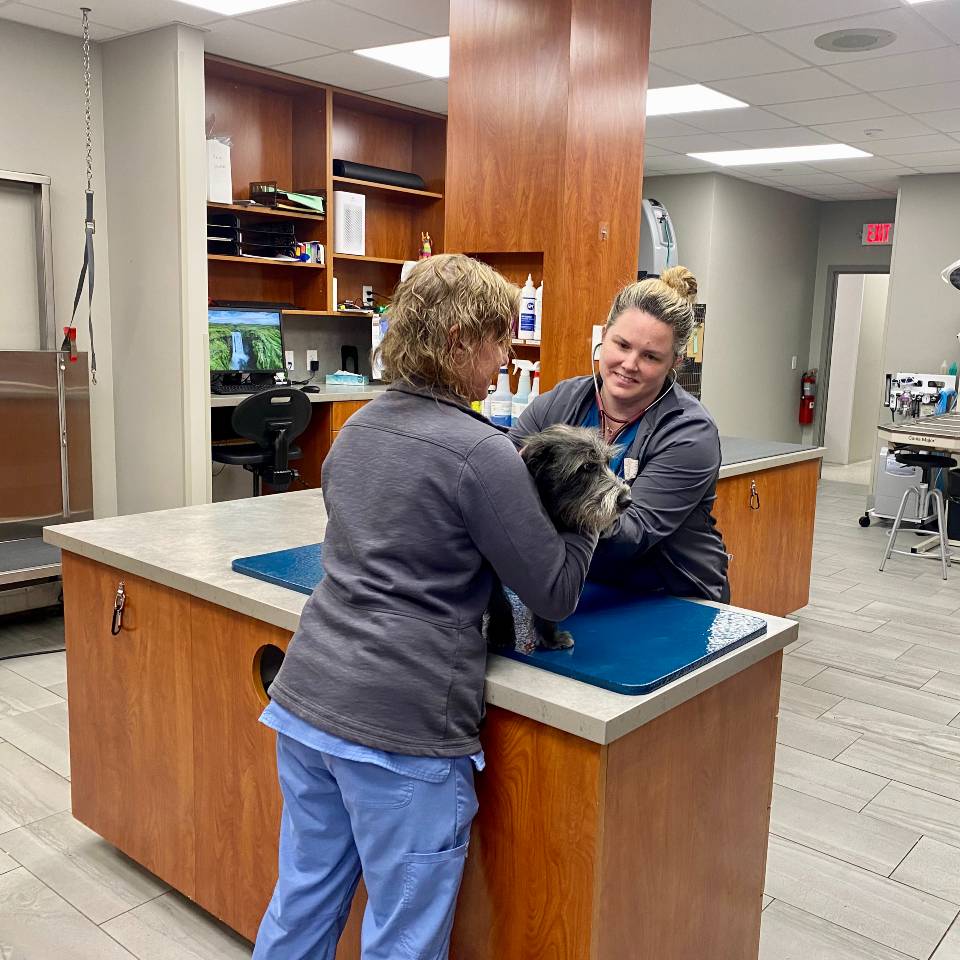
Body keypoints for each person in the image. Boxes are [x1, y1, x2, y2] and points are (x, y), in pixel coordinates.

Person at [252, 254, 598, 960]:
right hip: (400, 729)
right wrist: (591, 503)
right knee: (403, 938)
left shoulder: (357, 429)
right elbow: (554, 591)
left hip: (309, 701)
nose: (507, 357)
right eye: (500, 339)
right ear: (459, 341)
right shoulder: (480, 452)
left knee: (304, 897)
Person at [510, 266, 730, 602]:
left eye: (650, 356)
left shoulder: (689, 433)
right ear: (604, 335)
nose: (629, 364)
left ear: (675, 362)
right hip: (581, 583)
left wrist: (530, 514)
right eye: (622, 344)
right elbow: (500, 475)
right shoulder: (563, 401)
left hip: (670, 597)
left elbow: (630, 535)